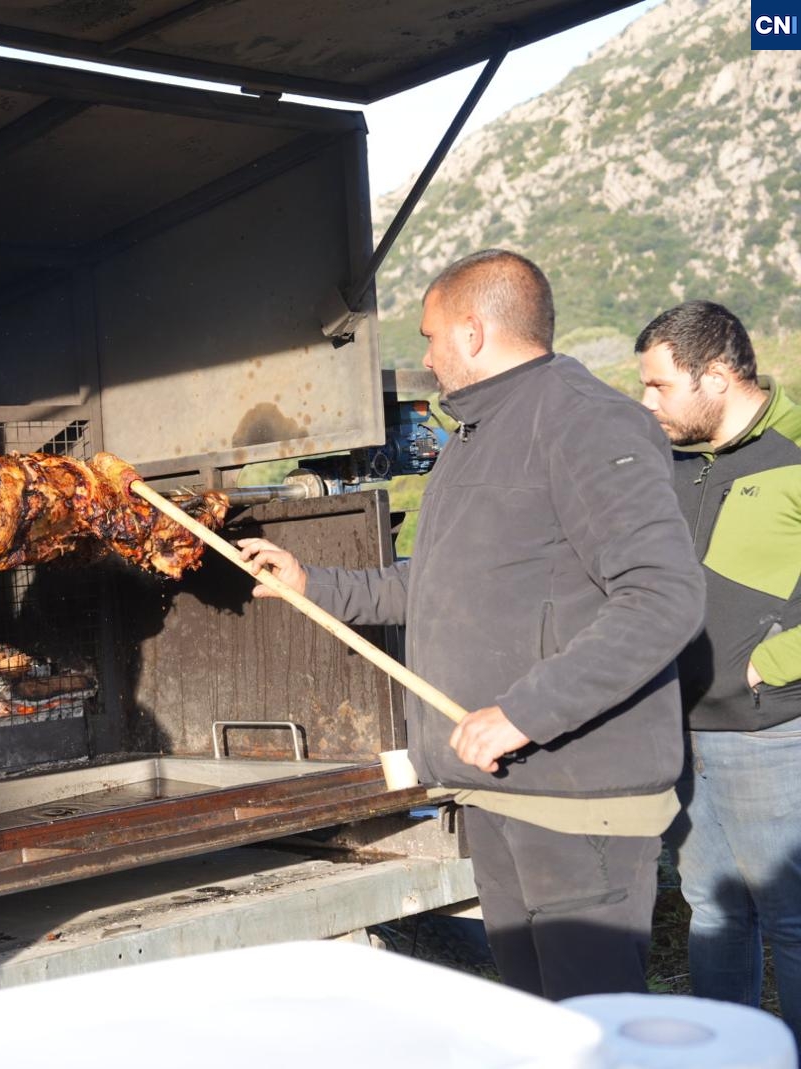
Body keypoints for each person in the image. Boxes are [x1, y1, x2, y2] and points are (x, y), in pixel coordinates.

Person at [239, 249, 704, 1000]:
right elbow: (434, 584)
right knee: (533, 1024)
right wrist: (312, 585)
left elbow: (664, 596)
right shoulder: (476, 434)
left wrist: (524, 712)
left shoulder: (586, 422)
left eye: (429, 338)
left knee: (589, 1029)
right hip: (498, 792)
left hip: (575, 801)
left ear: (473, 331)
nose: (422, 359)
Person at [636, 300, 801, 1042]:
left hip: (774, 733)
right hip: (684, 728)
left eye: (659, 386)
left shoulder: (795, 450)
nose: (647, 403)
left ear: (718, 375)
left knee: (793, 918)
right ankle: (727, 1056)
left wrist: (775, 662)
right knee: (709, 906)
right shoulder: (668, 462)